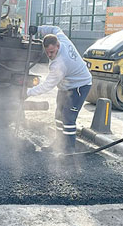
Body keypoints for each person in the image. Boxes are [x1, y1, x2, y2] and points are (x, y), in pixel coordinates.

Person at [25, 25, 92, 154]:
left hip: (80, 86)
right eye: (47, 52)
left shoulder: (60, 63)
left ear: (58, 46)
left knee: (68, 117)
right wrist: (38, 29)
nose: (50, 55)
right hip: (66, 86)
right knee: (58, 114)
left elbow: (47, 86)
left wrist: (28, 93)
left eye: (52, 52)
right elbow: (55, 28)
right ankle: (59, 142)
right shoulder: (61, 38)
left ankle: (69, 149)